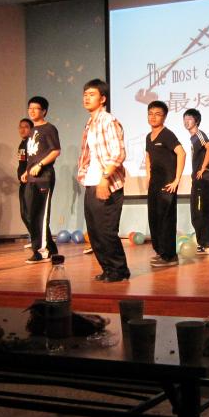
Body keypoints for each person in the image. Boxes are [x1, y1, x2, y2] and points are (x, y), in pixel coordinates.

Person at [77, 79, 131, 283]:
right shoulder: (90, 123)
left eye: (92, 94)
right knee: (94, 231)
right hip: (91, 182)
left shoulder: (108, 121)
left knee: (106, 230)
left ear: (103, 99)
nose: (87, 98)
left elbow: (118, 153)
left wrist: (104, 179)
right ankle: (108, 269)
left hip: (107, 183)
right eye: (85, 94)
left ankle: (119, 270)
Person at [144, 101, 185, 267]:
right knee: (154, 218)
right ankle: (160, 252)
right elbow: (148, 156)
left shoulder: (167, 134)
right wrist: (148, 177)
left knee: (165, 219)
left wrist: (176, 180)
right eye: (150, 113)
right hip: (154, 183)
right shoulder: (148, 137)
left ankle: (169, 256)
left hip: (167, 184)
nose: (153, 117)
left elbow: (181, 153)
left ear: (165, 117)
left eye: (158, 114)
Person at [21, 97, 62, 264]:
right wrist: (26, 171)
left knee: (40, 215)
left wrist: (40, 165)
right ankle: (50, 248)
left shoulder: (49, 128)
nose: (32, 111)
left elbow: (56, 151)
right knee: (30, 214)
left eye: (36, 108)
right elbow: (33, 155)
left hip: (44, 177)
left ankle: (41, 251)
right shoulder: (32, 131)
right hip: (32, 178)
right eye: (30, 108)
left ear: (44, 111)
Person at [183, 108, 209, 255]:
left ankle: (208, 244)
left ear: (196, 121)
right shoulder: (193, 138)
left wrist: (203, 168)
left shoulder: (199, 134)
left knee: (201, 212)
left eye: (189, 119)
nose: (186, 121)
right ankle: (203, 243)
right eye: (185, 119)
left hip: (205, 179)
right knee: (197, 212)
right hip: (199, 180)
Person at [16, 118, 33, 248]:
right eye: (20, 127)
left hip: (30, 182)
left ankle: (38, 240)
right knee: (24, 213)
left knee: (30, 213)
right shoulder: (22, 144)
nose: (22, 129)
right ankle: (34, 238)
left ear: (31, 129)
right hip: (22, 182)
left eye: (26, 127)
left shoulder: (31, 144)